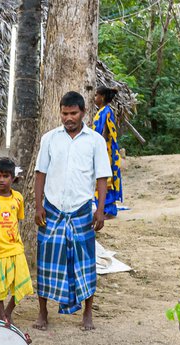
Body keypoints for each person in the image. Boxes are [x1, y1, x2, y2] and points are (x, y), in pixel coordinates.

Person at [33, 91, 111, 331]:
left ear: (83, 113)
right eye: (64, 113)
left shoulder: (95, 140)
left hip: (82, 210)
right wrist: (38, 206)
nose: (68, 118)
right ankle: (43, 313)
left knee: (84, 262)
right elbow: (40, 173)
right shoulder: (50, 138)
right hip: (52, 209)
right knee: (46, 261)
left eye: (73, 113)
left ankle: (87, 313)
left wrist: (100, 210)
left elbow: (101, 177)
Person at [0, 157, 33, 324]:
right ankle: (2, 316)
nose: (1, 180)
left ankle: (8, 312)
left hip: (16, 248)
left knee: (22, 284)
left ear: (13, 178)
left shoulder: (18, 198)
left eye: (6, 176)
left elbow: (18, 219)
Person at [92, 86, 124, 217]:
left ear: (102, 97)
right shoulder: (101, 111)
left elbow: (106, 132)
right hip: (100, 148)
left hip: (106, 150)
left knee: (106, 178)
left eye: (96, 95)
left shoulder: (106, 111)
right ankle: (104, 208)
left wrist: (100, 148)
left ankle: (110, 211)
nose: (95, 98)